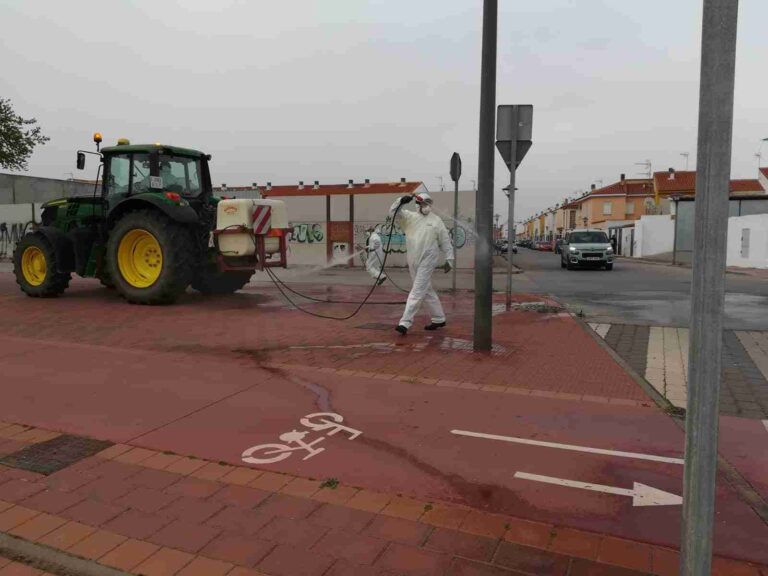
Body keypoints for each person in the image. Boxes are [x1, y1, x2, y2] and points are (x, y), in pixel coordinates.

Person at [389, 192, 454, 335]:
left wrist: (449, 258)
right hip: (413, 258)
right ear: (417, 204)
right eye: (424, 203)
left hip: (429, 258)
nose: (427, 206)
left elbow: (445, 240)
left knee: (417, 290)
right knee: (426, 289)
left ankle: (405, 322)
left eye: (429, 203)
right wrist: (401, 201)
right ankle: (439, 318)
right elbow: (393, 212)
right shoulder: (409, 217)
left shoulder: (436, 220)